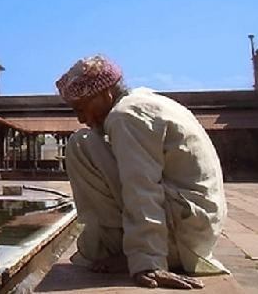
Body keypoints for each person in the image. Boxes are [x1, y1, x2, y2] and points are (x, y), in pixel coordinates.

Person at [55, 55, 227, 289]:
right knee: (87, 140)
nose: (81, 118)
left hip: (182, 238)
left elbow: (142, 188)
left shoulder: (126, 115)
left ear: (105, 94)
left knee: (79, 144)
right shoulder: (141, 101)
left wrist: (147, 262)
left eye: (82, 108)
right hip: (194, 230)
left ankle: (133, 251)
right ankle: (131, 248)